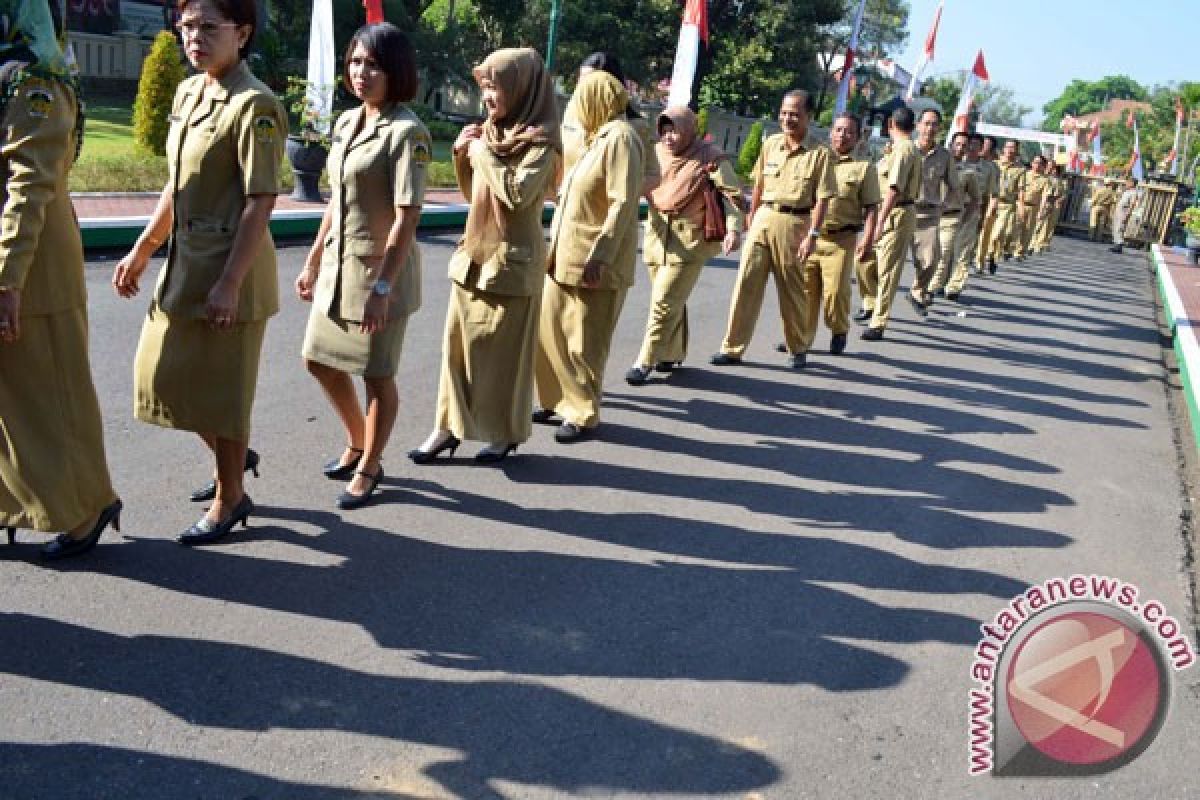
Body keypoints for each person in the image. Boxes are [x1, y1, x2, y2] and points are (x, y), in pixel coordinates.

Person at [113, 0, 286, 545]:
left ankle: (230, 497)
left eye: (209, 27)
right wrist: (143, 248)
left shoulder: (255, 104)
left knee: (223, 394)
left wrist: (230, 283)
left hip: (231, 271)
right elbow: (176, 184)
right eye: (187, 26)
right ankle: (232, 457)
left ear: (243, 33)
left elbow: (261, 200)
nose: (194, 37)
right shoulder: (190, 93)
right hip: (184, 265)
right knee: (158, 377)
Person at [0, 0, 122, 560]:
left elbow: (30, 186)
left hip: (33, 268)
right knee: (11, 402)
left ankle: (88, 508)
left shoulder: (35, 82)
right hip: (18, 260)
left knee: (55, 397)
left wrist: (7, 280)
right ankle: (13, 504)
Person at [295, 23, 427, 507]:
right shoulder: (348, 122)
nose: (360, 72)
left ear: (395, 71)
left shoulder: (408, 132)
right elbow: (337, 201)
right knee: (317, 359)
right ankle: (356, 439)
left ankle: (371, 463)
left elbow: (407, 216)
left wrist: (383, 288)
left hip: (378, 275)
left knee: (376, 374)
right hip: (337, 265)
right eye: (354, 62)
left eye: (372, 64)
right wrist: (312, 261)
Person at [411, 47, 559, 461]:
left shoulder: (542, 142)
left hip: (513, 264)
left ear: (521, 90)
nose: (489, 97)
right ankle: (446, 427)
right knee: (455, 351)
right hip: (473, 257)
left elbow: (516, 194)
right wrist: (463, 154)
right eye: (486, 88)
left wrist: (480, 154)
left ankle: (506, 431)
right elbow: (475, 195)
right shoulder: (491, 133)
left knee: (506, 361)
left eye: (497, 88)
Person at [534, 70, 643, 442]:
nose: (576, 106)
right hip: (564, 256)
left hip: (593, 262)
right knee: (549, 332)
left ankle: (582, 413)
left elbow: (623, 201)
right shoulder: (595, 138)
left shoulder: (621, 138)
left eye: (582, 97)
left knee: (584, 343)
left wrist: (602, 254)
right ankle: (556, 400)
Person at [709, 89, 836, 368]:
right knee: (746, 282)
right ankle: (732, 348)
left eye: (795, 114)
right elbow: (758, 186)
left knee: (791, 290)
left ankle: (798, 346)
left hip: (795, 223)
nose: (788, 119)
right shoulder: (771, 144)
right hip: (764, 217)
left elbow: (824, 198)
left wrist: (813, 235)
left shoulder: (820, 154)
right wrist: (750, 219)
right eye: (784, 113)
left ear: (808, 117)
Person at [626, 107, 742, 385]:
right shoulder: (653, 155)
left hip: (689, 245)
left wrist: (734, 230)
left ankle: (644, 361)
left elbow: (733, 197)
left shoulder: (709, 157)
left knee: (663, 303)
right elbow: (633, 184)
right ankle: (672, 352)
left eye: (675, 130)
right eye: (665, 130)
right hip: (656, 240)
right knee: (669, 301)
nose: (668, 137)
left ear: (689, 130)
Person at [793, 112, 878, 357]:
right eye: (839, 130)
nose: (843, 135)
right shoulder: (816, 160)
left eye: (849, 131)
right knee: (806, 292)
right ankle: (800, 339)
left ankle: (839, 329)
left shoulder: (864, 169)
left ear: (858, 137)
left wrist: (868, 239)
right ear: (831, 132)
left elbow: (872, 208)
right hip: (811, 237)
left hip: (842, 240)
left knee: (835, 293)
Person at [559, 52, 660, 198]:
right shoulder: (571, 117)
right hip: (568, 211)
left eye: (591, 82)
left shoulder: (633, 128)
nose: (584, 88)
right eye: (581, 81)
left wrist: (612, 195)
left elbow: (653, 175)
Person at [859, 106, 920, 342]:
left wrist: (880, 221)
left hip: (896, 212)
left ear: (890, 125)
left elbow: (894, 189)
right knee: (863, 259)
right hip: (884, 210)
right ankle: (871, 302)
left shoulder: (904, 149)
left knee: (887, 270)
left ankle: (878, 322)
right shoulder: (895, 149)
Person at [907, 108, 959, 313]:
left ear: (939, 128)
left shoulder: (944, 157)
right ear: (918, 126)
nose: (930, 128)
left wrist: (944, 205)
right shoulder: (904, 149)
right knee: (880, 259)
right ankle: (871, 303)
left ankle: (917, 291)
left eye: (934, 124)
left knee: (930, 261)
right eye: (926, 123)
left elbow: (954, 185)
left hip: (928, 214)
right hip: (902, 210)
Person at [929, 131, 980, 301]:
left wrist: (965, 219)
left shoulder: (969, 173)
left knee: (944, 252)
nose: (960, 148)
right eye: (957, 144)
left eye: (964, 146)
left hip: (952, 217)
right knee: (928, 254)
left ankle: (932, 288)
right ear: (951, 145)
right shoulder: (937, 164)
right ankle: (929, 283)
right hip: (930, 215)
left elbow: (975, 199)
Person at [942, 133, 989, 301]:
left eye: (974, 145)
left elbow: (988, 196)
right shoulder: (945, 164)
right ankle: (941, 282)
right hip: (944, 213)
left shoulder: (986, 169)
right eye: (958, 144)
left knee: (962, 252)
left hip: (969, 212)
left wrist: (984, 216)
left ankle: (954, 286)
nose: (970, 148)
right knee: (944, 251)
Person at [984, 140, 1026, 274]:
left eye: (1013, 148)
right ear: (1004, 149)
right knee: (987, 231)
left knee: (999, 233)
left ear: (1017, 150)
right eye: (1008, 147)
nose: (1010, 150)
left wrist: (1021, 208)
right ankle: (990, 256)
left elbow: (1021, 191)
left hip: (1007, 205)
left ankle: (992, 256)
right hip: (991, 201)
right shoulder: (995, 164)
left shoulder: (1020, 170)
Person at [972, 135, 1001, 274]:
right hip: (959, 207)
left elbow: (994, 192)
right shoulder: (966, 161)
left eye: (986, 145)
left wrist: (990, 209)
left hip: (985, 205)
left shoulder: (993, 168)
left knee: (985, 236)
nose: (983, 148)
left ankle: (980, 260)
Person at [1014, 154, 1048, 260]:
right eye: (1035, 162)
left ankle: (1020, 251)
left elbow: (1044, 197)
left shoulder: (1045, 180)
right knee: (1015, 227)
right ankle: (1010, 247)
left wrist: (1041, 211)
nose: (1037, 165)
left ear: (1044, 166)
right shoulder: (1024, 174)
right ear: (1032, 163)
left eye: (1040, 164)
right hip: (1020, 204)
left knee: (1027, 230)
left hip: (1033, 207)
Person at [1033, 162, 1065, 253]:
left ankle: (1043, 243)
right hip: (1042, 202)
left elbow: (1063, 193)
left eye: (1053, 167)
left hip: (1053, 203)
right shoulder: (1043, 177)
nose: (1052, 169)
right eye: (1050, 166)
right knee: (1039, 223)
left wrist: (1059, 199)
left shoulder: (1058, 180)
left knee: (1049, 225)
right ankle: (1033, 242)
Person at [1110, 176, 1139, 253]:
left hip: (1124, 212)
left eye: (1128, 182)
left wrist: (1127, 214)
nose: (1126, 183)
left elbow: (1132, 204)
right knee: (1115, 227)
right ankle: (1116, 243)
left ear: (1132, 183)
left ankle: (1119, 245)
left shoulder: (1134, 193)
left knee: (1120, 228)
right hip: (1119, 210)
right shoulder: (1126, 191)